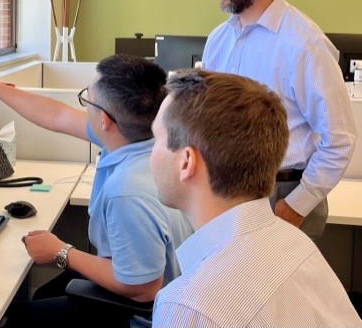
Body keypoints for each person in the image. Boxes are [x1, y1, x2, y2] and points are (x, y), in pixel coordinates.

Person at [0, 54, 192, 327]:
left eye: (86, 99)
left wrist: (61, 251)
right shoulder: (144, 142)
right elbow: (56, 115)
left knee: (16, 320)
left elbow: (143, 288)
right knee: (44, 293)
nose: (82, 107)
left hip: (138, 316)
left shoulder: (128, 190)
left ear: (104, 120)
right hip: (149, 289)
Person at [149, 68, 362, 327]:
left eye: (155, 139)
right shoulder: (298, 245)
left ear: (186, 162)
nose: (150, 152)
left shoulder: (189, 307)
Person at [202, 0, 357, 240]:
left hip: (283, 192)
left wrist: (296, 206)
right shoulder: (218, 40)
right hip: (227, 189)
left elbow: (339, 140)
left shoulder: (304, 44)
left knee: (276, 290)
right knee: (232, 288)